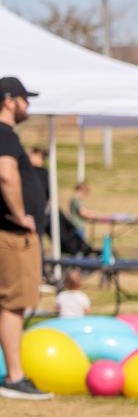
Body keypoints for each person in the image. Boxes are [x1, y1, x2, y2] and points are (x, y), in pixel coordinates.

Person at [0, 77, 47, 400]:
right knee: (14, 303)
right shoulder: (4, 135)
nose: (27, 105)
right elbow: (6, 173)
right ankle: (14, 377)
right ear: (9, 100)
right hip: (14, 236)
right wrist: (20, 216)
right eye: (24, 99)